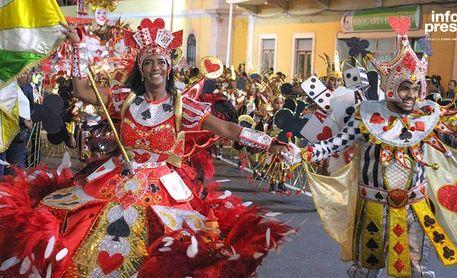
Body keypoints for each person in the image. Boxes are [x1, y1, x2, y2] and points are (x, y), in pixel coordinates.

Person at [0, 19, 292, 277]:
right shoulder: (123, 99)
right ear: (141, 69)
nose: (155, 68)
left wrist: (269, 142)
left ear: (169, 69)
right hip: (115, 180)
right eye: (148, 62)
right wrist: (79, 48)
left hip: (163, 187)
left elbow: (227, 129)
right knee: (79, 236)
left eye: (161, 62)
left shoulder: (182, 105)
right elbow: (82, 90)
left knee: (167, 251)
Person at [283, 16, 457, 278]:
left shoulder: (427, 114)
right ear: (390, 88)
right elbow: (337, 142)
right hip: (373, 206)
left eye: (416, 88)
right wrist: (305, 152)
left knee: (417, 269)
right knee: (366, 270)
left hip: (416, 208)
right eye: (404, 88)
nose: (411, 95)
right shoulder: (367, 116)